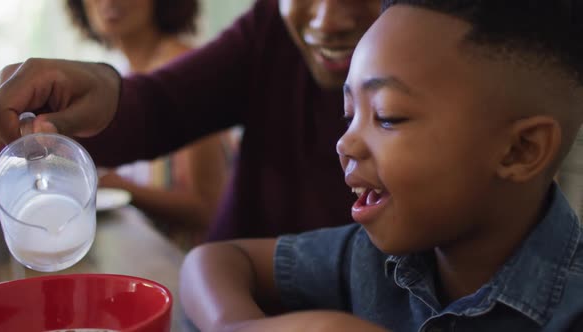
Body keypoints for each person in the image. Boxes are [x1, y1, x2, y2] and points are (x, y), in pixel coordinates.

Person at [176, 1, 583, 331]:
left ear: (520, 150)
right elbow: (215, 261)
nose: (345, 142)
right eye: (349, 113)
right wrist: (241, 326)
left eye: (387, 116)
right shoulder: (367, 257)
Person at [0, 0, 382, 241]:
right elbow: (161, 103)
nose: (327, 20)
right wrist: (92, 90)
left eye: (390, 118)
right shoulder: (268, 29)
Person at [63, 0, 237, 249]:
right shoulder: (124, 75)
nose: (109, 1)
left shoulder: (186, 72)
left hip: (191, 267)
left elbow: (208, 210)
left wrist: (121, 187)